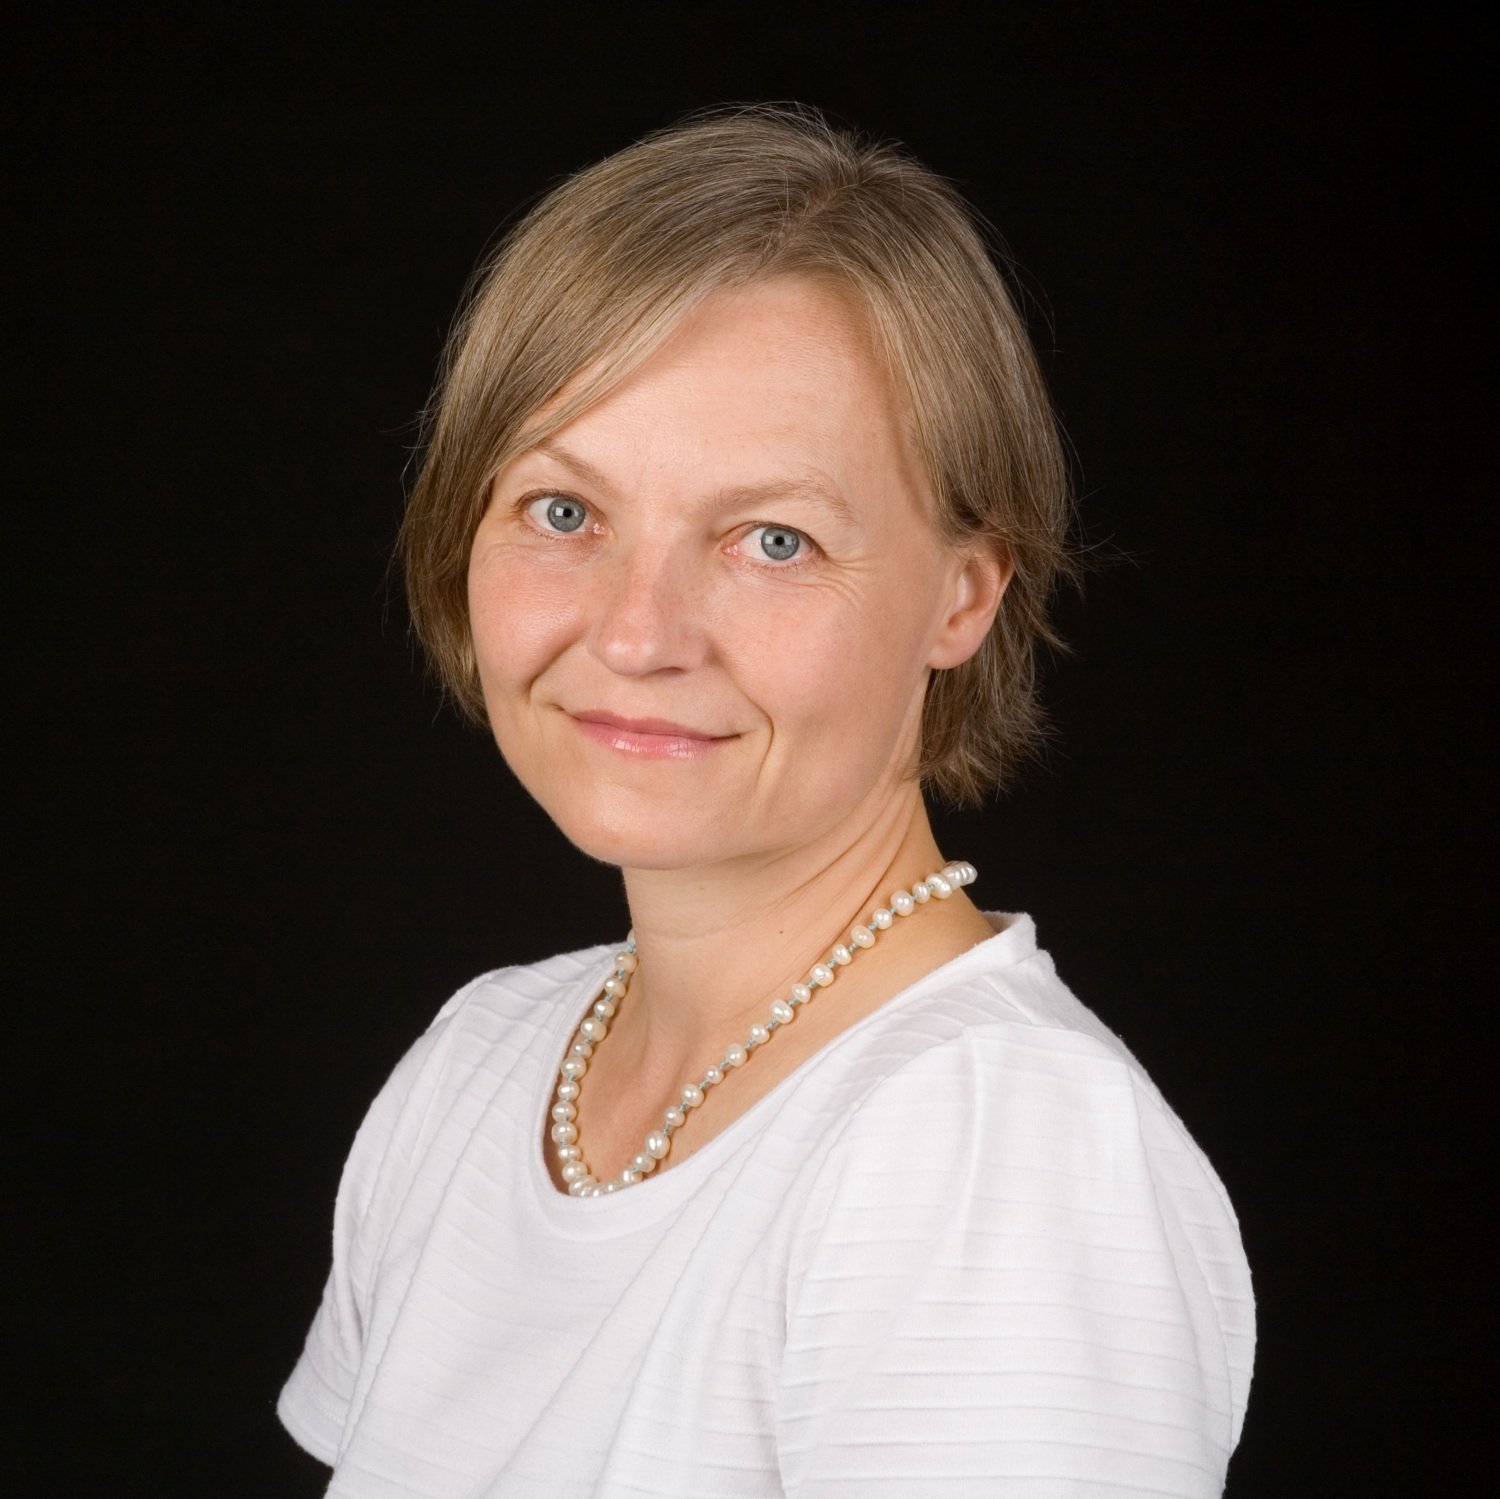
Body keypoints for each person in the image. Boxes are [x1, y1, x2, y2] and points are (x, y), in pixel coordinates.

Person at [278, 103, 1255, 1497]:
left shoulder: (995, 1155)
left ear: (964, 594)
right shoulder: (480, 1067)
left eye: (773, 539)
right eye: (565, 511)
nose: (635, 633)